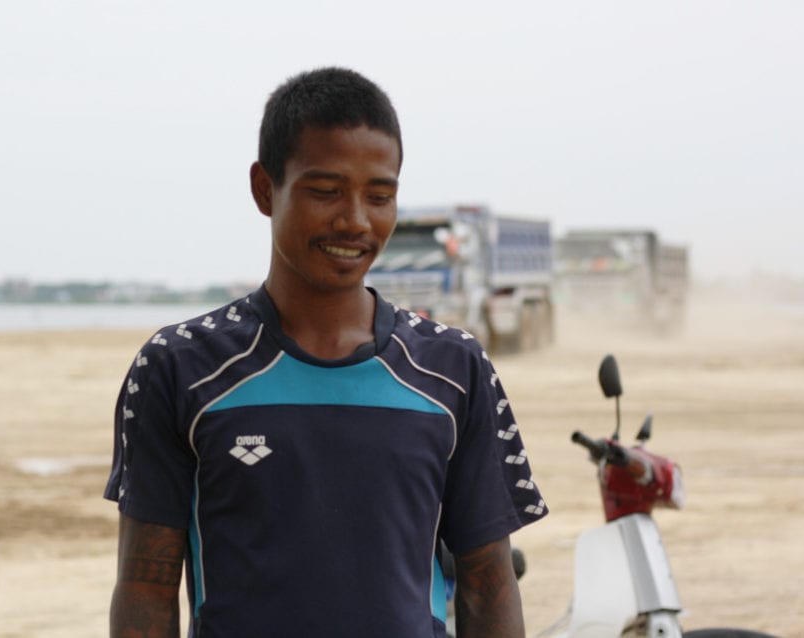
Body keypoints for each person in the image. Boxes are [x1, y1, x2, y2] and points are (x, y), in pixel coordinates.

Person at [105, 66, 547, 638]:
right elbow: (145, 587)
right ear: (265, 189)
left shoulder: (454, 367)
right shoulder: (178, 365)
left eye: (380, 195)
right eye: (325, 191)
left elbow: (488, 582)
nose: (356, 220)